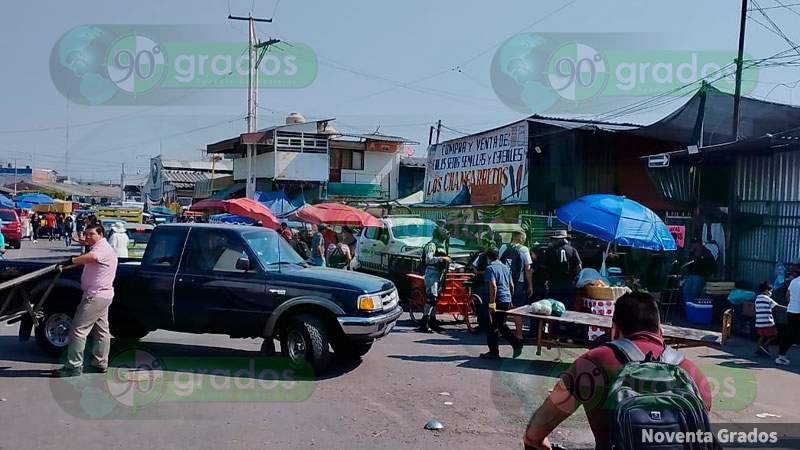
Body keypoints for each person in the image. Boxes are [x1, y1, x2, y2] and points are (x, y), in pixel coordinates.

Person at [523, 292, 712, 450]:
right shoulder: (693, 374)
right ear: (660, 332)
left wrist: (539, 443)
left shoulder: (592, 363)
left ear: (614, 331)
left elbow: (535, 435)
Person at [52, 224, 119, 377]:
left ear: (101, 234)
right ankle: (100, 362)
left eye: (91, 234)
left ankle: (73, 366)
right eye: (86, 234)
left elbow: (93, 257)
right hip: (103, 295)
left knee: (78, 329)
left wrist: (72, 260)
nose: (88, 237)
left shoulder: (101, 248)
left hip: (95, 296)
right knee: (101, 331)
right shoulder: (101, 246)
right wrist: (80, 244)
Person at [480, 247, 523, 359]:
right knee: (502, 324)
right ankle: (516, 343)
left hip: (497, 299)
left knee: (492, 326)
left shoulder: (490, 268)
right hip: (506, 299)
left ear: (488, 258)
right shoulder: (505, 267)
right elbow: (511, 285)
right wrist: (510, 299)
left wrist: (491, 303)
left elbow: (493, 286)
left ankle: (494, 352)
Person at [500, 230, 534, 340]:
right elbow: (527, 269)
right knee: (518, 309)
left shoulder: (503, 247)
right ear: (520, 237)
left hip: (504, 282)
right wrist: (530, 285)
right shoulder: (524, 250)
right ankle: (519, 334)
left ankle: (501, 332)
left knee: (502, 307)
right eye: (523, 237)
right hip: (519, 283)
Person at [417, 226, 450, 333]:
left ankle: (432, 321)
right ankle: (424, 323)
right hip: (432, 273)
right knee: (431, 299)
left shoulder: (442, 245)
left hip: (440, 274)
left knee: (436, 300)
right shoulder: (432, 245)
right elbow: (428, 259)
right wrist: (442, 258)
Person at [544, 230, 582, 310]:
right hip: (568, 283)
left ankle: (555, 322)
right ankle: (566, 322)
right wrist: (574, 276)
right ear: (564, 239)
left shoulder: (550, 250)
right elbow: (579, 267)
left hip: (554, 283)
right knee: (568, 306)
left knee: (555, 306)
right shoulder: (572, 250)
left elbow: (545, 266)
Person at [776, 267, 800, 366]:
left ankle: (781, 354)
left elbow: (787, 295)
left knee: (790, 332)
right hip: (798, 311)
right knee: (791, 334)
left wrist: (792, 303)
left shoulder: (794, 281)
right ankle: (781, 356)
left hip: (791, 310)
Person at [754, 281, 784, 357]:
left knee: (762, 335)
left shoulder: (757, 298)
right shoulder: (767, 298)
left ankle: (758, 349)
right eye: (770, 291)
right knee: (774, 335)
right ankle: (764, 347)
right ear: (766, 290)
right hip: (767, 321)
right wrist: (787, 308)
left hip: (759, 321)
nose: (771, 292)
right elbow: (776, 306)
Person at [683, 239, 716, 304]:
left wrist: (708, 273)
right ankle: (688, 306)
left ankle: (694, 306)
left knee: (694, 292)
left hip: (700, 275)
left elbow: (711, 264)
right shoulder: (692, 253)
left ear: (699, 244)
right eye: (693, 243)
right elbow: (689, 264)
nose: (693, 245)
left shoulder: (706, 253)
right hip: (691, 274)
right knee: (686, 290)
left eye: (695, 243)